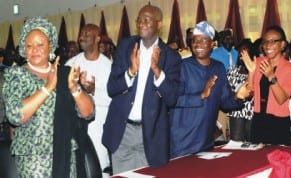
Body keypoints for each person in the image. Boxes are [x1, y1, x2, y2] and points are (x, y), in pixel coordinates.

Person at [2, 16, 95, 177]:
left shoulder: (65, 73)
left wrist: (73, 88)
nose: (34, 49)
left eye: (40, 44)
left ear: (50, 46)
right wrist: (48, 87)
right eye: (29, 45)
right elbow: (15, 115)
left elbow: (88, 113)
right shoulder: (16, 75)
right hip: (34, 160)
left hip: (66, 155)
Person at [102, 4, 181, 174]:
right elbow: (112, 88)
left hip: (150, 134)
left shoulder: (171, 57)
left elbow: (172, 99)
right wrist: (130, 71)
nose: (141, 24)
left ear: (159, 24)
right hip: (122, 132)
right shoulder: (124, 47)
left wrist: (158, 72)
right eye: (139, 19)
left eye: (147, 19)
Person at [170, 21, 249, 158]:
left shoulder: (218, 68)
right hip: (181, 141)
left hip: (206, 141)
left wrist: (238, 96)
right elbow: (172, 99)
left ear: (213, 44)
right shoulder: (182, 67)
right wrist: (200, 95)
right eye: (195, 40)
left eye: (203, 40)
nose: (198, 44)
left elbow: (225, 102)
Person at [66, 23, 112, 177]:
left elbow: (113, 99)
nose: (81, 37)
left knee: (98, 169)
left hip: (99, 128)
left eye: (86, 34)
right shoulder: (71, 64)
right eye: (81, 34)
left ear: (98, 38)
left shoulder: (108, 66)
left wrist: (93, 92)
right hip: (76, 128)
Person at [241, 25, 291, 146]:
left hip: (278, 122)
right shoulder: (259, 62)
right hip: (258, 120)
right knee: (258, 159)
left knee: (277, 159)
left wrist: (271, 76)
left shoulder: (290, 68)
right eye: (265, 41)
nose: (267, 45)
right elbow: (248, 93)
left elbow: (282, 99)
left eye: (273, 41)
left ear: (283, 45)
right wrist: (251, 71)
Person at [226, 38, 254, 142]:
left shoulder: (254, 70)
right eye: (241, 52)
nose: (243, 55)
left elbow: (251, 91)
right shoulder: (233, 70)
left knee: (252, 142)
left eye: (246, 51)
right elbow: (227, 89)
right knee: (237, 143)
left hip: (251, 111)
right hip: (236, 110)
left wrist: (251, 72)